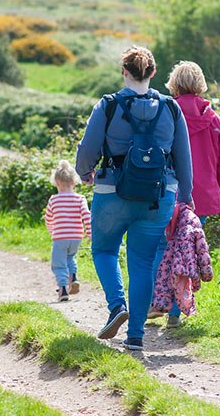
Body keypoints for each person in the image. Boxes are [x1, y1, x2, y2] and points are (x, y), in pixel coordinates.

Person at [75, 46, 193, 351]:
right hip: (158, 196)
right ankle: (136, 336)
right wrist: (186, 195)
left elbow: (88, 148)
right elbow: (184, 157)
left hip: (112, 190)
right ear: (153, 73)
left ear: (124, 72)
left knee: (103, 250)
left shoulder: (109, 105)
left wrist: (85, 172)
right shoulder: (170, 108)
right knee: (141, 262)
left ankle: (117, 306)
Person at [148, 61, 220, 327]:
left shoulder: (165, 114)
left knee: (160, 250)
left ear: (173, 84)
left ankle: (155, 303)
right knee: (186, 253)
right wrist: (213, 188)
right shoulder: (214, 120)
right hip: (202, 199)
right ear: (200, 84)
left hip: (167, 195)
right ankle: (175, 313)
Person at [44, 160, 91, 302]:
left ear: (57, 183)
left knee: (58, 263)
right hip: (76, 237)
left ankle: (63, 289)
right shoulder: (80, 199)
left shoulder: (54, 200)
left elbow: (48, 218)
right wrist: (89, 232)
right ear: (74, 182)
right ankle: (74, 277)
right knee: (70, 258)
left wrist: (52, 230)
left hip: (60, 237)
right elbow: (86, 215)